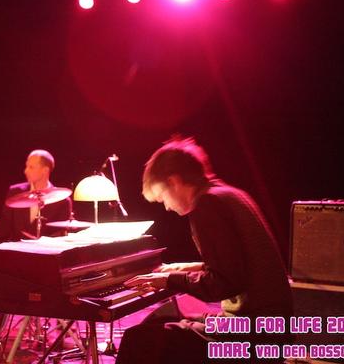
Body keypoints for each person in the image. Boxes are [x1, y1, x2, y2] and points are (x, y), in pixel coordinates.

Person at [116, 136, 293, 363]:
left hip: (253, 336)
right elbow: (236, 265)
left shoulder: (207, 204)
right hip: (272, 328)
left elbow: (223, 284)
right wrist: (182, 268)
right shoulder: (230, 194)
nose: (167, 207)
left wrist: (169, 280)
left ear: (174, 182)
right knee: (159, 321)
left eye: (162, 198)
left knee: (138, 339)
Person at [0, 149, 71, 244]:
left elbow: (61, 236)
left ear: (45, 170)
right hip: (16, 251)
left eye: (31, 167)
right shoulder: (15, 192)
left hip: (45, 251)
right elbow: (4, 227)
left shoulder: (63, 200)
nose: (25, 171)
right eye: (26, 166)